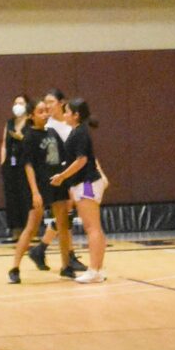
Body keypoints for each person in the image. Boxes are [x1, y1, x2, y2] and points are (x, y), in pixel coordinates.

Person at [51, 98, 108, 282]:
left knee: (92, 228)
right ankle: (98, 269)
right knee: (95, 228)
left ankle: (94, 270)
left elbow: (82, 160)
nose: (65, 114)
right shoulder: (77, 131)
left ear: (76, 115)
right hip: (83, 184)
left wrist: (62, 176)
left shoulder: (80, 133)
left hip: (87, 184)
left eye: (67, 111)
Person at [9, 99, 59, 283]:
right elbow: (28, 165)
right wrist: (35, 192)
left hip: (53, 184)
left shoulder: (51, 133)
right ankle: (14, 268)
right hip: (37, 187)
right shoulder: (30, 137)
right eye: (40, 111)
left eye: (46, 110)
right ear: (31, 115)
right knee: (31, 228)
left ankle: (63, 261)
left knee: (64, 218)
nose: (45, 114)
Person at [39, 90, 86, 275]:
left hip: (76, 173)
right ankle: (68, 256)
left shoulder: (70, 123)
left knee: (66, 214)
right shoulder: (49, 127)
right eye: (45, 102)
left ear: (61, 103)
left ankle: (41, 249)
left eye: (51, 101)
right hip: (62, 175)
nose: (48, 105)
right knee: (66, 214)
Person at [0, 96, 33, 241]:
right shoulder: (9, 123)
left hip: (25, 164)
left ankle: (30, 230)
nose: (17, 106)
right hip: (10, 165)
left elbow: (33, 142)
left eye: (21, 103)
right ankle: (15, 231)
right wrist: (3, 161)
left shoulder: (31, 123)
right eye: (15, 103)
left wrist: (22, 138)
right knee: (12, 197)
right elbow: (3, 144)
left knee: (26, 196)